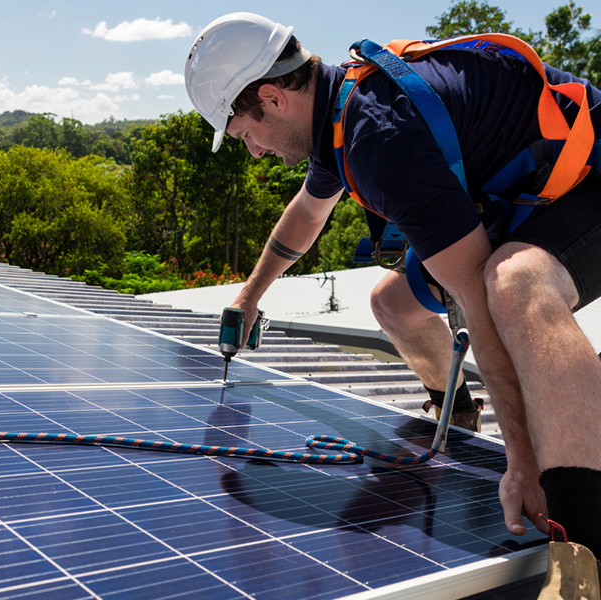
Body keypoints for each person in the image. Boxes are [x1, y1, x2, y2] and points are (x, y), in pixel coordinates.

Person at [184, 11, 601, 591]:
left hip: (587, 183)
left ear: (273, 99)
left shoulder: (378, 137)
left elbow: (475, 307)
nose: (252, 151)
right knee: (394, 304)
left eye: (244, 133)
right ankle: (455, 416)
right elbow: (307, 214)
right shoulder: (338, 114)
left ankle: (584, 546)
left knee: (513, 284)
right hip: (523, 200)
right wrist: (251, 296)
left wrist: (522, 460)